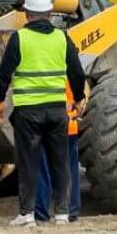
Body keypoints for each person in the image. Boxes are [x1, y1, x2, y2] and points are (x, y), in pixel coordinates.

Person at [0, 0, 86, 228]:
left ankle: (28, 214)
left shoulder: (20, 38)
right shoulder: (61, 38)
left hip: (28, 112)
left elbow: (4, 73)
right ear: (50, 13)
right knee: (60, 161)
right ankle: (63, 214)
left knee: (29, 162)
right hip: (56, 111)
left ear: (27, 14)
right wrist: (79, 97)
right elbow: (76, 71)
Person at [34, 83, 82, 223]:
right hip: (68, 123)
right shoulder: (67, 64)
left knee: (41, 167)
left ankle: (41, 214)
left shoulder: (41, 67)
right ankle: (70, 212)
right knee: (69, 168)